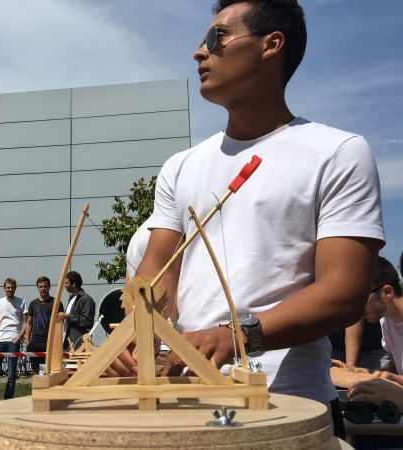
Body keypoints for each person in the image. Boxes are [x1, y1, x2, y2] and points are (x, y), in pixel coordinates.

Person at [111, 0, 384, 438]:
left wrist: (235, 335)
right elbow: (157, 275)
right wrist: (134, 331)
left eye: (216, 37)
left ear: (271, 45)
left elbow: (343, 293)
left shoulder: (338, 153)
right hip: (187, 401)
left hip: (290, 407)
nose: (200, 52)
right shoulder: (180, 167)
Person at [331, 256, 403, 388]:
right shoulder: (387, 322)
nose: (355, 308)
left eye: (360, 298)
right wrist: (352, 371)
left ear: (387, 292)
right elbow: (394, 370)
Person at [0, 278, 28, 405]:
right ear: (4, 288)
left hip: (13, 341)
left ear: (15, 288)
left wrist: (19, 337)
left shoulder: (21, 302)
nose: (10, 289)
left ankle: (7, 402)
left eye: (12, 287)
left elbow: (26, 322)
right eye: (8, 287)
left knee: (11, 374)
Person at [25, 276, 63, 374]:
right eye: (40, 286)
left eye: (45, 286)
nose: (43, 289)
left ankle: (48, 387)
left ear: (49, 287)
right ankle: (39, 385)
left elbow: (60, 324)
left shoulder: (56, 303)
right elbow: (29, 323)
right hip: (35, 341)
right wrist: (27, 339)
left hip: (50, 341)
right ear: (37, 288)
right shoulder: (33, 303)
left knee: (49, 370)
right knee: (35, 370)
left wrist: (58, 341)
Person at [58, 271, 95, 351]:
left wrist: (68, 316)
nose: (64, 285)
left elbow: (87, 321)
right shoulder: (71, 298)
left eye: (66, 283)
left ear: (73, 284)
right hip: (68, 343)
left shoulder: (86, 299)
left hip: (79, 345)